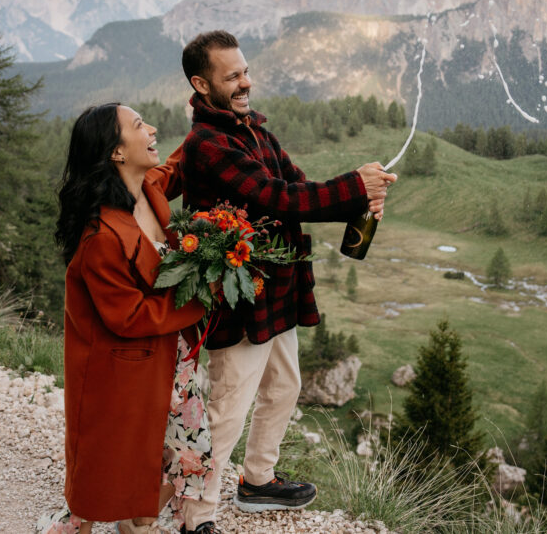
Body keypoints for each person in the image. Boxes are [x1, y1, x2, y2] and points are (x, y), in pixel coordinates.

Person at [178, 30, 397, 533]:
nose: (244, 82)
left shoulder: (255, 132)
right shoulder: (207, 145)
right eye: (231, 76)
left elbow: (298, 187)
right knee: (230, 404)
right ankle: (197, 514)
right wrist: (355, 188)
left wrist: (362, 197)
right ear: (201, 83)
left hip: (274, 288)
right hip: (238, 296)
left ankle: (257, 481)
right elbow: (276, 197)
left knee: (284, 385)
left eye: (245, 71)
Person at [45, 103, 213, 534]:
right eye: (139, 125)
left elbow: (175, 165)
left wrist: (209, 122)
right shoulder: (101, 236)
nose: (152, 128)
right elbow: (129, 316)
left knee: (191, 453)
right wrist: (199, 296)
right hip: (125, 364)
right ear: (116, 152)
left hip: (170, 355)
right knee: (118, 459)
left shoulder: (148, 189)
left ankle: (136, 520)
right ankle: (103, 519)